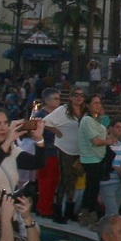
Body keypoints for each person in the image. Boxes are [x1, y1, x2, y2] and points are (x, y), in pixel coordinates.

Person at [44, 87, 87, 222]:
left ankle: (69, 210)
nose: (79, 97)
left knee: (73, 180)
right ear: (70, 97)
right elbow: (45, 121)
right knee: (64, 179)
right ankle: (57, 211)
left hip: (78, 150)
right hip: (65, 148)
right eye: (76, 95)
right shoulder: (63, 110)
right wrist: (56, 131)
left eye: (81, 95)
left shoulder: (85, 111)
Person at [78, 93, 114, 223]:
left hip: (97, 158)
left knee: (92, 187)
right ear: (88, 105)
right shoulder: (87, 120)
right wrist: (108, 142)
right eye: (95, 103)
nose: (98, 105)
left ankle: (86, 214)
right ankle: (91, 214)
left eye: (99, 103)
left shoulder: (95, 120)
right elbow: (96, 141)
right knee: (92, 188)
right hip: (91, 158)